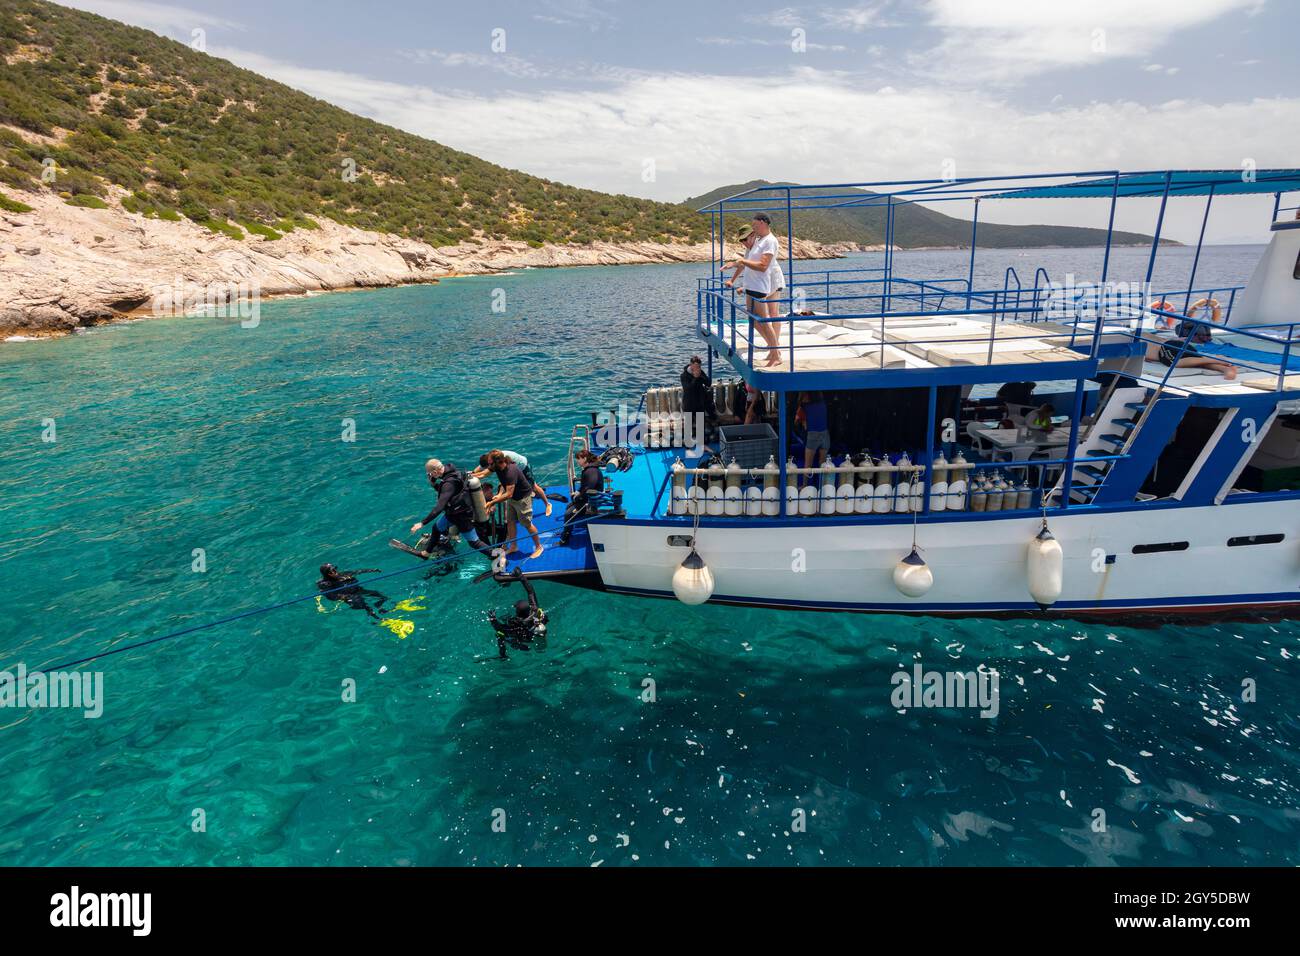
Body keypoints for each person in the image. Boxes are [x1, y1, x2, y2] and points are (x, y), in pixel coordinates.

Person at [725, 216, 782, 367]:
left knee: (767, 318)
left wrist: (742, 262)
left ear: (763, 223)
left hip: (761, 286)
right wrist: (735, 279)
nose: (754, 228)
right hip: (751, 286)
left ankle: (775, 353)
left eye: (755, 225)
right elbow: (744, 265)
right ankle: (773, 347)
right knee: (754, 319)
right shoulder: (758, 243)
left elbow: (763, 266)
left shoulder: (769, 241)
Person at [409, 458, 494, 557]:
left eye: (430, 474)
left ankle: (496, 555)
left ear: (435, 472)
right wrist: (434, 485)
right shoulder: (453, 471)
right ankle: (427, 552)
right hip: (453, 513)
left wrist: (422, 523)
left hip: (461, 517)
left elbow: (439, 507)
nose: (430, 476)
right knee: (436, 528)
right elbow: (450, 493)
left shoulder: (448, 484)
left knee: (474, 542)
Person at [485, 450, 544, 558]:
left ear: (498, 462)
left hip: (522, 499)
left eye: (490, 464)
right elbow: (499, 481)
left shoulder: (510, 472)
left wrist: (492, 502)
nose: (489, 466)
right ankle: (513, 546)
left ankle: (539, 546)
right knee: (510, 522)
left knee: (527, 524)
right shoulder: (499, 468)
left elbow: (508, 494)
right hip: (513, 498)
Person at [471, 449, 551, 517]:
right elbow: (481, 470)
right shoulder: (490, 459)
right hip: (511, 470)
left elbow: (506, 478)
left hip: (522, 465)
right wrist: (471, 473)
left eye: (490, 465)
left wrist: (499, 495)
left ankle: (547, 504)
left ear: (491, 463)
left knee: (534, 487)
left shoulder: (501, 461)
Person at [488, 570, 547, 659]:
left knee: (500, 635)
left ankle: (503, 655)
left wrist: (493, 618)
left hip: (523, 639)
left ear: (517, 612)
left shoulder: (515, 623)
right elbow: (531, 592)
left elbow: (499, 628)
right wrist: (521, 577)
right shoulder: (534, 611)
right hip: (534, 634)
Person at [559, 448, 605, 545]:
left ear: (584, 459)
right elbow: (585, 487)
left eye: (578, 459)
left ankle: (565, 537)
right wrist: (577, 492)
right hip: (587, 498)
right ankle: (568, 529)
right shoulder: (588, 470)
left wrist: (577, 497)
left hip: (592, 501)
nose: (577, 461)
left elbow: (589, 488)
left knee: (568, 514)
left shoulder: (591, 471)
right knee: (569, 506)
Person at [317, 564, 388, 619]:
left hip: (359, 590)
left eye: (335, 569)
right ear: (328, 574)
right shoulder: (324, 584)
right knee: (362, 604)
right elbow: (330, 596)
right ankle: (375, 617)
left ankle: (378, 605)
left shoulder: (343, 574)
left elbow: (357, 572)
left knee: (378, 595)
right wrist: (343, 597)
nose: (337, 571)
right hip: (348, 596)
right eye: (334, 570)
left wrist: (372, 570)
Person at [797, 392, 830, 470]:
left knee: (807, 466)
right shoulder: (823, 403)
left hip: (813, 434)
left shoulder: (804, 406)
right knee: (823, 465)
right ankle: (822, 482)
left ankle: (805, 483)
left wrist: (803, 422)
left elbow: (797, 420)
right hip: (825, 434)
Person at [680, 355, 717, 422]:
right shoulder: (684, 375)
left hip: (699, 404)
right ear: (691, 365)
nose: (697, 368)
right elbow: (687, 389)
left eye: (699, 366)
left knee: (700, 426)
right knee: (688, 425)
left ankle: (700, 432)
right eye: (696, 366)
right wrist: (695, 378)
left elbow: (708, 383)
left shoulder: (701, 372)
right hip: (689, 404)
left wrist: (701, 377)